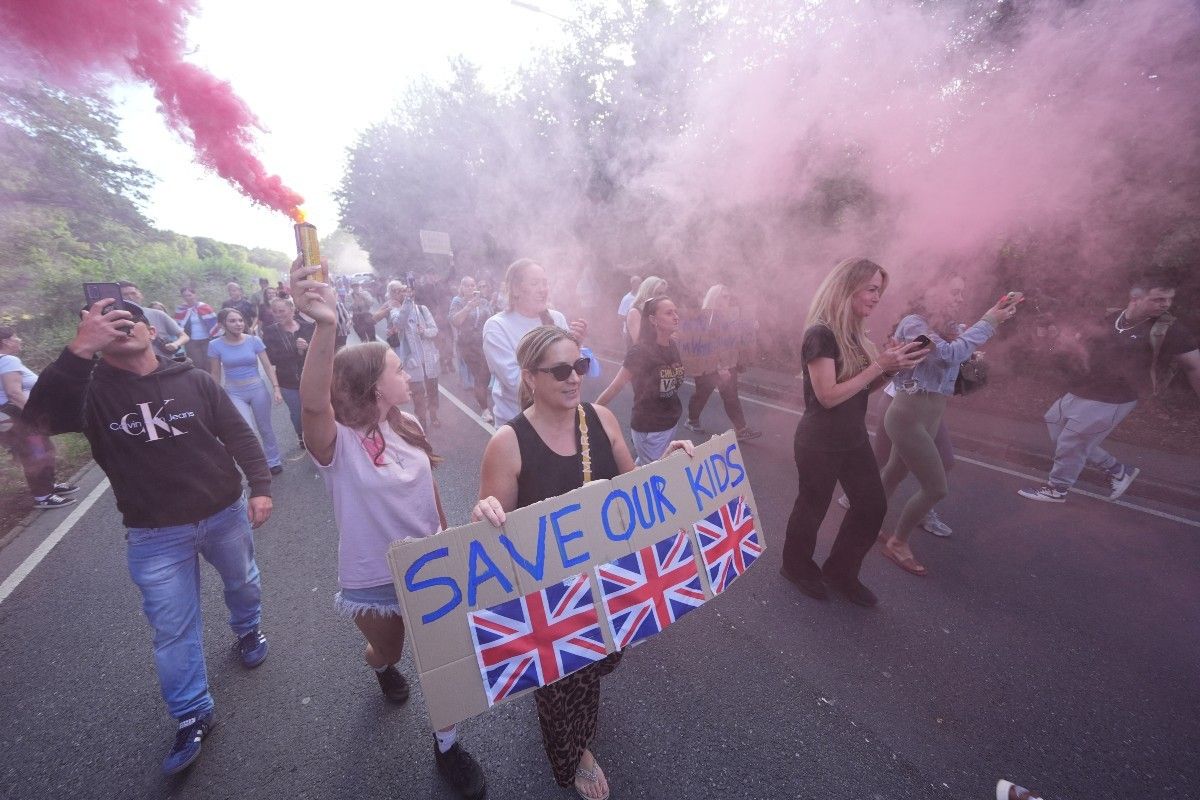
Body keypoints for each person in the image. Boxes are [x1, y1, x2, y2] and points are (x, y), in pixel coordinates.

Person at [24, 298, 273, 776]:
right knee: (172, 628)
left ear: (151, 327)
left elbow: (238, 434)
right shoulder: (90, 393)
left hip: (223, 514)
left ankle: (247, 629)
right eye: (108, 322)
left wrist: (260, 487)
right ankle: (193, 714)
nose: (124, 326)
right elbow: (37, 423)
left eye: (131, 317)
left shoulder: (194, 379)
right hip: (154, 534)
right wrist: (78, 351)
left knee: (243, 582)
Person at [291, 259, 487, 800]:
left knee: (441, 663)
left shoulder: (410, 424)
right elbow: (312, 400)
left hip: (427, 566)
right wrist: (326, 326)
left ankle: (447, 747)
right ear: (373, 386)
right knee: (392, 653)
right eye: (397, 370)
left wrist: (449, 544)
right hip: (372, 578)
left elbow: (429, 496)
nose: (407, 375)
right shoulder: (335, 445)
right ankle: (379, 667)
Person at [472, 324, 692, 800]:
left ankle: (578, 712)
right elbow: (493, 534)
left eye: (581, 365)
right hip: (551, 600)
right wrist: (485, 514)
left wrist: (669, 469)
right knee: (561, 684)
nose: (575, 378)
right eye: (560, 370)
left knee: (597, 663)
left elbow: (634, 492)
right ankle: (575, 754)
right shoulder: (507, 443)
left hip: (608, 582)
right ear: (530, 378)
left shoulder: (602, 420)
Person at [778, 258, 927, 607]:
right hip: (819, 440)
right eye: (872, 288)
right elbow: (828, 397)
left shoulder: (854, 332)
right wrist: (879, 364)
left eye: (880, 290)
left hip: (852, 437)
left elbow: (859, 389)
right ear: (848, 287)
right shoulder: (820, 333)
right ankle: (795, 567)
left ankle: (840, 573)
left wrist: (891, 370)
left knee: (872, 507)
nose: (877, 297)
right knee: (812, 506)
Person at [876, 281, 1019, 576]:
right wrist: (989, 321)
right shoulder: (914, 324)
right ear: (931, 288)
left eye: (962, 292)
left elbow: (962, 350)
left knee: (894, 472)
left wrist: (985, 331)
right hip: (907, 414)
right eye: (953, 291)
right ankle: (897, 543)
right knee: (935, 487)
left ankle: (867, 521)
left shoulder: (949, 324)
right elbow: (948, 354)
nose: (960, 297)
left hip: (930, 414)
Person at [1018, 272, 1200, 503]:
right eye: (1158, 299)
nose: (1165, 304)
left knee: (1071, 441)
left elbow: (1194, 367)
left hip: (1116, 397)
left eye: (1168, 299)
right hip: (1084, 387)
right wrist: (1053, 338)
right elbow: (1077, 346)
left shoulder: (1170, 330)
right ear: (1135, 298)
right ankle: (1117, 470)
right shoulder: (1110, 318)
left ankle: (1057, 489)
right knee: (1055, 423)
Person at [482, 258, 589, 425]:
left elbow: (572, 371)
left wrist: (577, 345)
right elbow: (516, 383)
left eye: (545, 283)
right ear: (515, 289)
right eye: (535, 283)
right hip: (519, 424)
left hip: (559, 418)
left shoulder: (556, 317)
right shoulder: (497, 326)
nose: (543, 289)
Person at [596, 296, 687, 464]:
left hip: (671, 422)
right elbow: (616, 386)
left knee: (647, 466)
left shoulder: (672, 345)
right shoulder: (640, 352)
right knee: (656, 474)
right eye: (669, 313)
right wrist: (591, 413)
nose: (676, 316)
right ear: (653, 320)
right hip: (650, 428)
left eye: (675, 311)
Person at [0, 326, 78, 508]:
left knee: (41, 450)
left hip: (7, 417)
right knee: (37, 453)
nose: (19, 339)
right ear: (5, 342)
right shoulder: (8, 360)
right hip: (18, 415)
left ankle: (49, 486)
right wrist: (33, 415)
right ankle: (43, 496)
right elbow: (14, 393)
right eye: (15, 336)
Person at [208, 308, 285, 475]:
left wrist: (276, 388)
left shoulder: (253, 340)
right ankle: (257, 466)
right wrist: (213, 399)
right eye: (232, 321)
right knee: (247, 430)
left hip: (257, 389)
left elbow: (267, 365)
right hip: (234, 393)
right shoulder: (215, 345)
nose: (238, 324)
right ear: (222, 325)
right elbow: (215, 374)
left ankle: (273, 461)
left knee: (265, 428)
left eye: (240, 320)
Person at [684, 284, 763, 441]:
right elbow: (708, 344)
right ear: (715, 298)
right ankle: (692, 420)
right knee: (702, 395)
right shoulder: (709, 317)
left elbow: (734, 338)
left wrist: (750, 327)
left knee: (731, 396)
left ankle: (741, 429)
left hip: (728, 364)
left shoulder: (729, 315)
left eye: (728, 296)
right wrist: (720, 367)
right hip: (709, 366)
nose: (728, 300)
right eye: (724, 296)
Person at [375, 280, 442, 429]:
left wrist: (424, 332)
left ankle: (434, 414)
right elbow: (399, 323)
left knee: (432, 389)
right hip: (411, 361)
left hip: (429, 358)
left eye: (403, 290)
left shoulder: (422, 309)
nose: (402, 293)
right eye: (397, 291)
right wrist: (407, 302)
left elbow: (434, 330)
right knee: (418, 392)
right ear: (392, 294)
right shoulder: (394, 311)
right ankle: (422, 419)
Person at [262, 296, 315, 447]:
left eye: (282, 311)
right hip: (287, 381)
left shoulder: (307, 326)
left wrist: (307, 347)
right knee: (297, 413)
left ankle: (317, 435)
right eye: (275, 312)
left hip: (311, 378)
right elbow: (271, 358)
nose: (278, 314)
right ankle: (302, 436)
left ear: (292, 310)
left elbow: (320, 350)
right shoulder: (270, 332)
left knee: (315, 409)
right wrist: (296, 349)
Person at [449, 275, 495, 423]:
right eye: (467, 285)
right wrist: (468, 307)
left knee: (488, 375)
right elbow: (455, 321)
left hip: (485, 343)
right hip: (468, 345)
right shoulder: (458, 302)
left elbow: (493, 319)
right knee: (480, 376)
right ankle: (485, 410)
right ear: (461, 288)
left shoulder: (484, 302)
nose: (470, 288)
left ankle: (485, 399)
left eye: (473, 285)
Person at [119, 281, 189, 360]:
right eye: (125, 294)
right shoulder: (115, 319)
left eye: (133, 293)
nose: (130, 297)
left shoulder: (158, 314)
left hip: (165, 364)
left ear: (141, 295)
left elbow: (184, 336)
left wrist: (175, 344)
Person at [175, 286, 217, 371]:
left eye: (189, 295)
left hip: (207, 340)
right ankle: (201, 382)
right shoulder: (181, 309)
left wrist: (215, 335)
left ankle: (211, 382)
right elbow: (178, 326)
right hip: (191, 341)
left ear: (195, 295)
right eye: (185, 296)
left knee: (210, 363)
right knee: (197, 364)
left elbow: (214, 323)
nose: (187, 298)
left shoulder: (204, 307)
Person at [623, 275, 668, 346]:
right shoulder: (635, 312)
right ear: (648, 292)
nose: (661, 297)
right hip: (640, 356)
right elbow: (639, 343)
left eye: (663, 293)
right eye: (658, 293)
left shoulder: (654, 311)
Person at [616, 273, 641, 338]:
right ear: (632, 284)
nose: (639, 285)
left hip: (641, 332)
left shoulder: (642, 297)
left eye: (640, 283)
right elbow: (620, 316)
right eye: (637, 283)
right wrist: (633, 319)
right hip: (629, 332)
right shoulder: (627, 299)